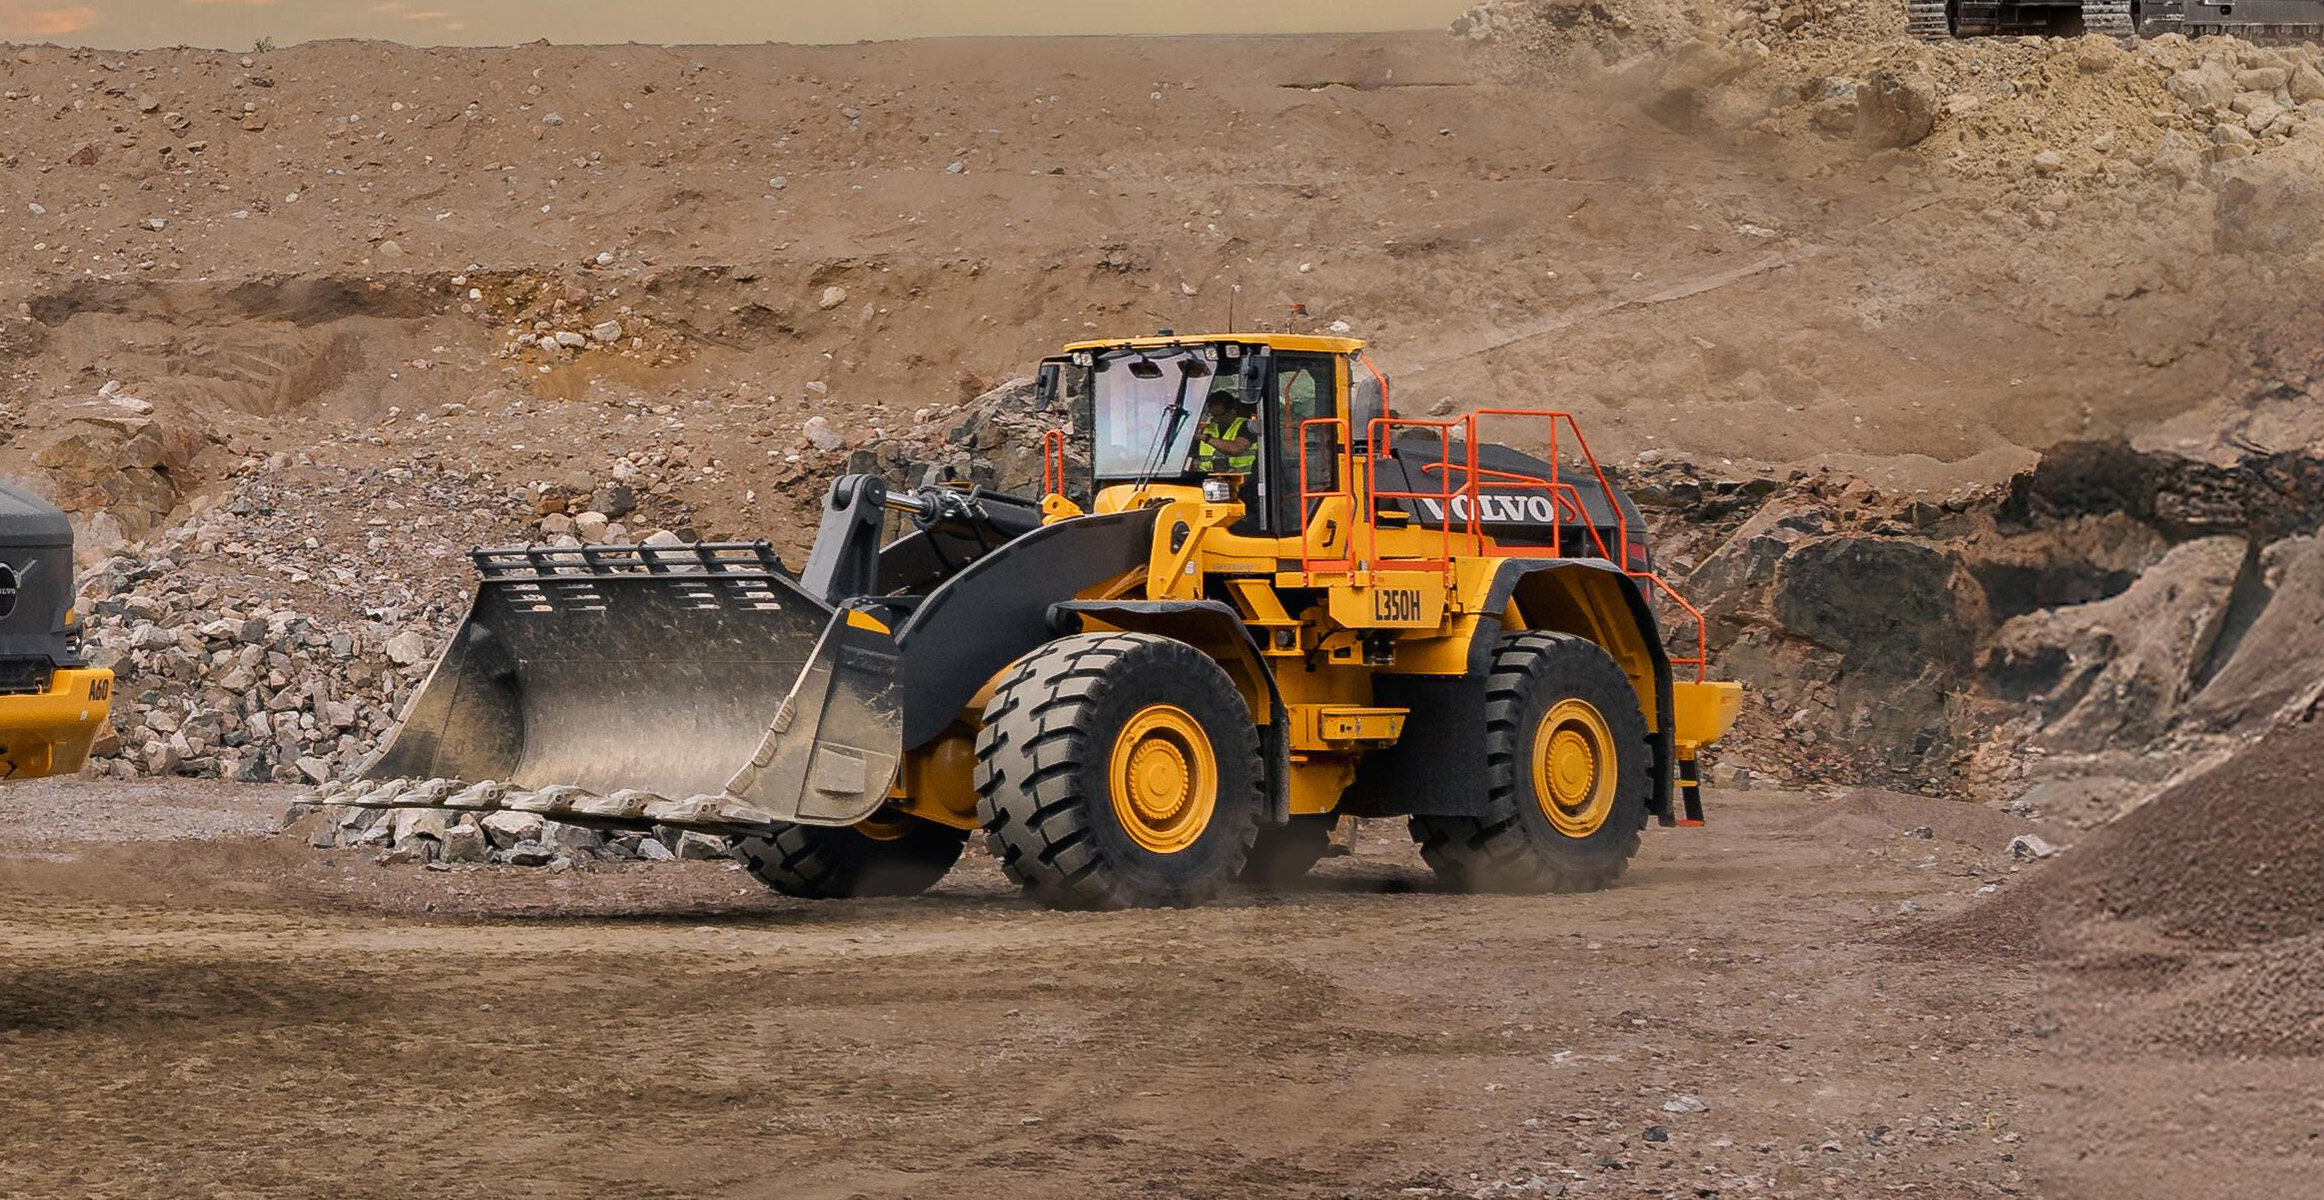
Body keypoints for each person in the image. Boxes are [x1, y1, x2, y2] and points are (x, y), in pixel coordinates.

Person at [1194, 387, 1258, 474]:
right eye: (1213, 415)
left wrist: (1206, 438)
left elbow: (1236, 449)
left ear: (1232, 411)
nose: (1215, 420)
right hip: (1209, 481)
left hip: (1243, 482)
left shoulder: (1246, 426)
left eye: (1219, 415)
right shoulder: (1207, 429)